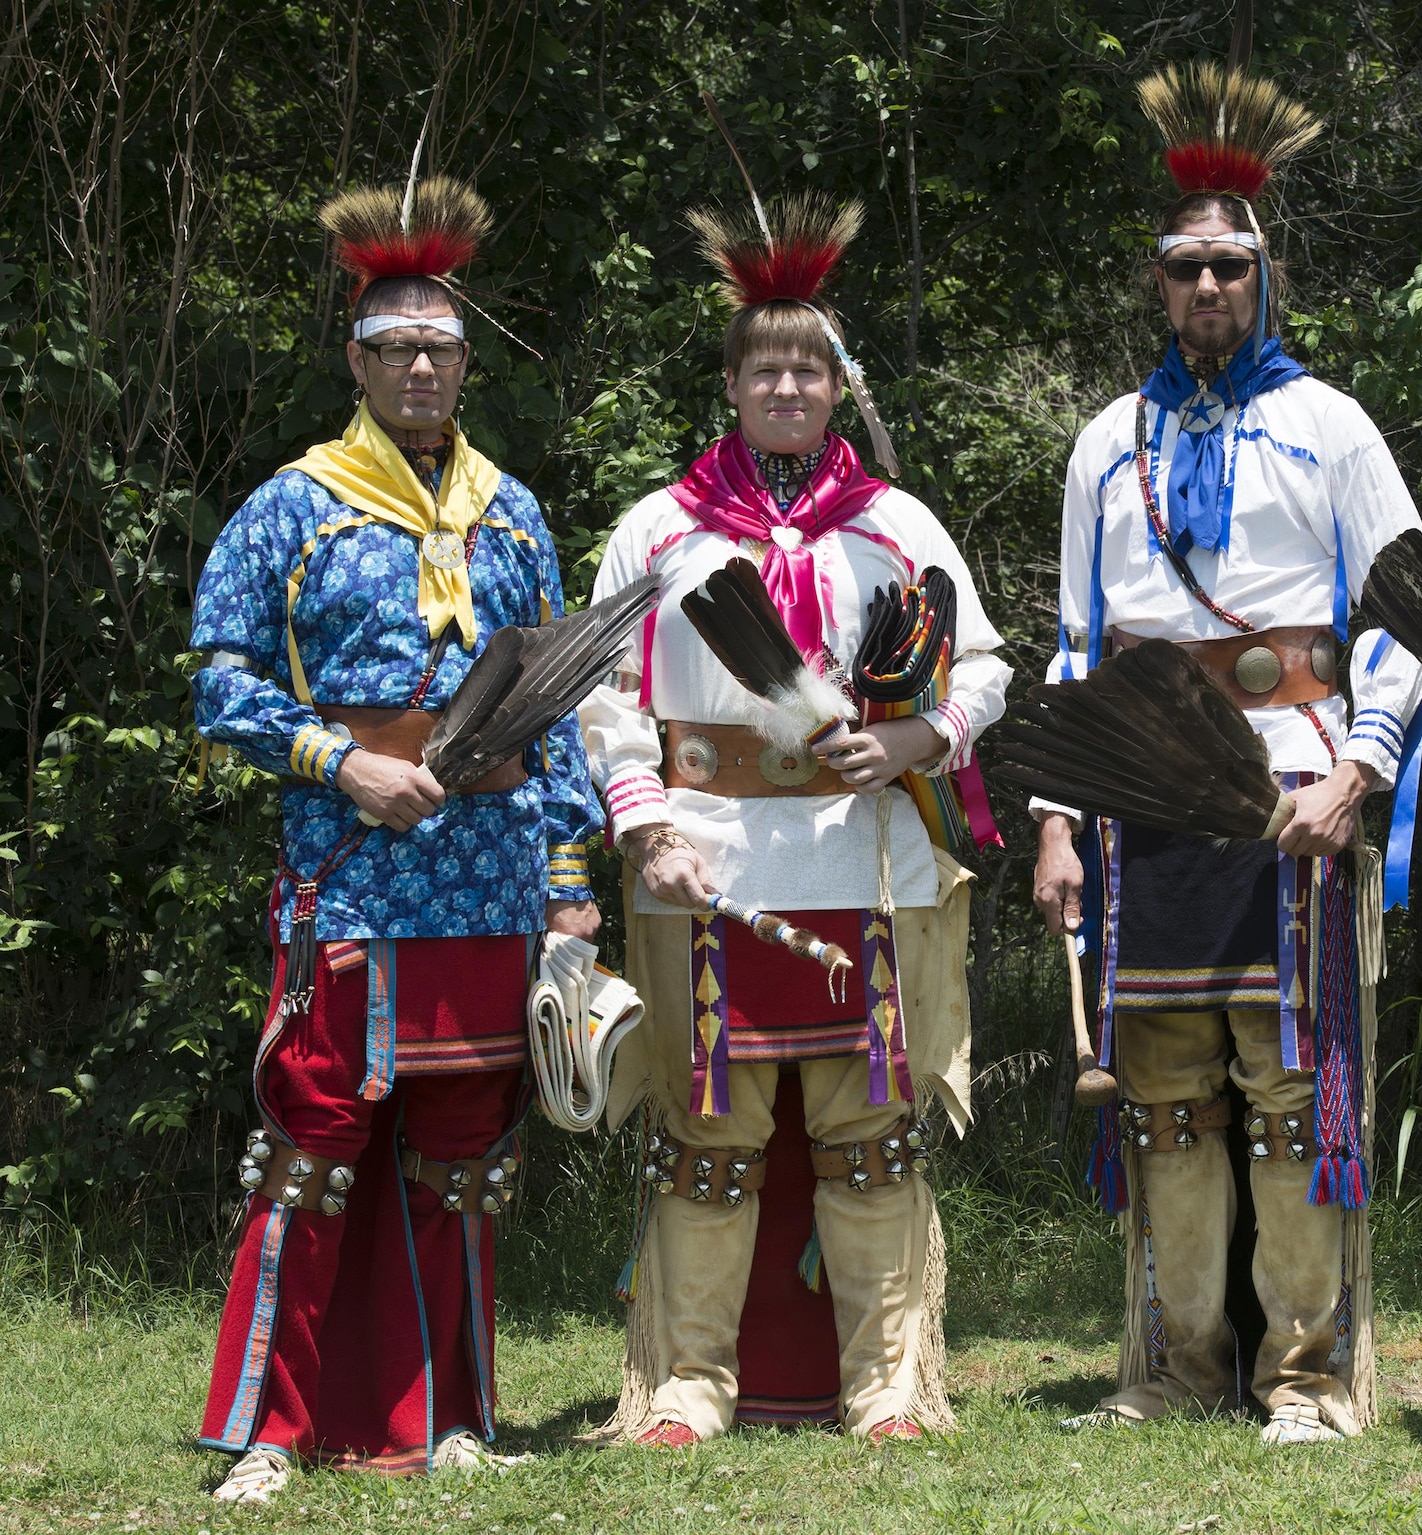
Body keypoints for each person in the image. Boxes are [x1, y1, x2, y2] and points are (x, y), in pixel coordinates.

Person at [1029, 63, 1422, 1446]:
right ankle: (1174, 1365)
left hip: (1289, 790)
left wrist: (1359, 768)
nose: (1208, 287)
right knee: (1165, 1094)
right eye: (1186, 266)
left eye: (1231, 267)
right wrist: (1055, 820)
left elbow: (1414, 616)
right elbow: (1076, 647)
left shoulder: (1331, 426)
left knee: (1285, 1086)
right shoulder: (1106, 443)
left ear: (1266, 277)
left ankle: (1309, 1375)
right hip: (1141, 798)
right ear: (1157, 282)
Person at [576, 192, 1010, 1447]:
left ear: (834, 385)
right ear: (730, 382)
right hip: (700, 861)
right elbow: (604, 702)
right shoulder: (657, 533)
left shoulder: (894, 524)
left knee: (866, 1134)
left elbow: (982, 663)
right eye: (763, 363)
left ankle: (886, 1386)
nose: (784, 383)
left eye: (807, 365)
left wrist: (920, 737)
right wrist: (642, 820)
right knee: (704, 1132)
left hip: (861, 858)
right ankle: (685, 1385)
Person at [191, 178, 602, 1501]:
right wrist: (346, 761)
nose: (422, 365)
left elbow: (562, 702)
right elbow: (221, 683)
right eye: (396, 347)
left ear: (469, 362)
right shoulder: (291, 508)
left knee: (468, 1159)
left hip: (488, 873)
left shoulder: (518, 514)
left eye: (442, 347)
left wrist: (571, 875)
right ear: (357, 361)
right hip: (352, 870)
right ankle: (270, 1428)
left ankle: (455, 1413)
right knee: (312, 1143)